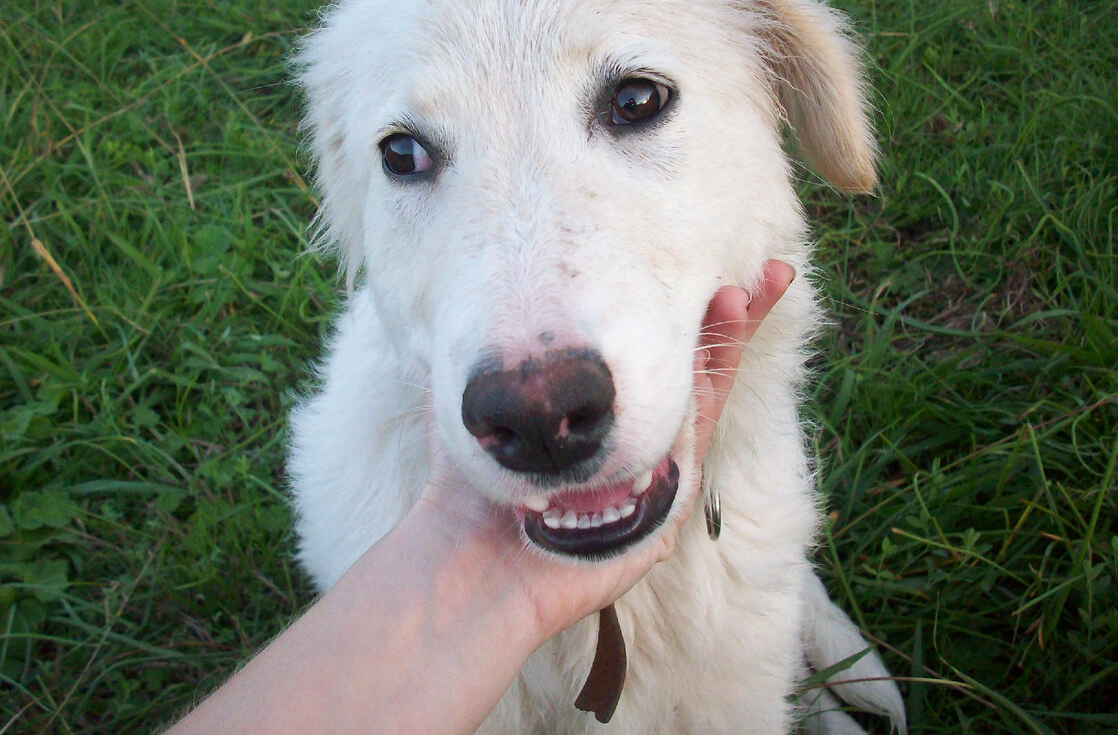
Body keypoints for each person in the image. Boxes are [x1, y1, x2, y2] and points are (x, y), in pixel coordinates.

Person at [168, 263, 794, 735]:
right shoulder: (352, 517)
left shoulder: (766, 476)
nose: (542, 403)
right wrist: (458, 580)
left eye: (636, 103)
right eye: (408, 158)